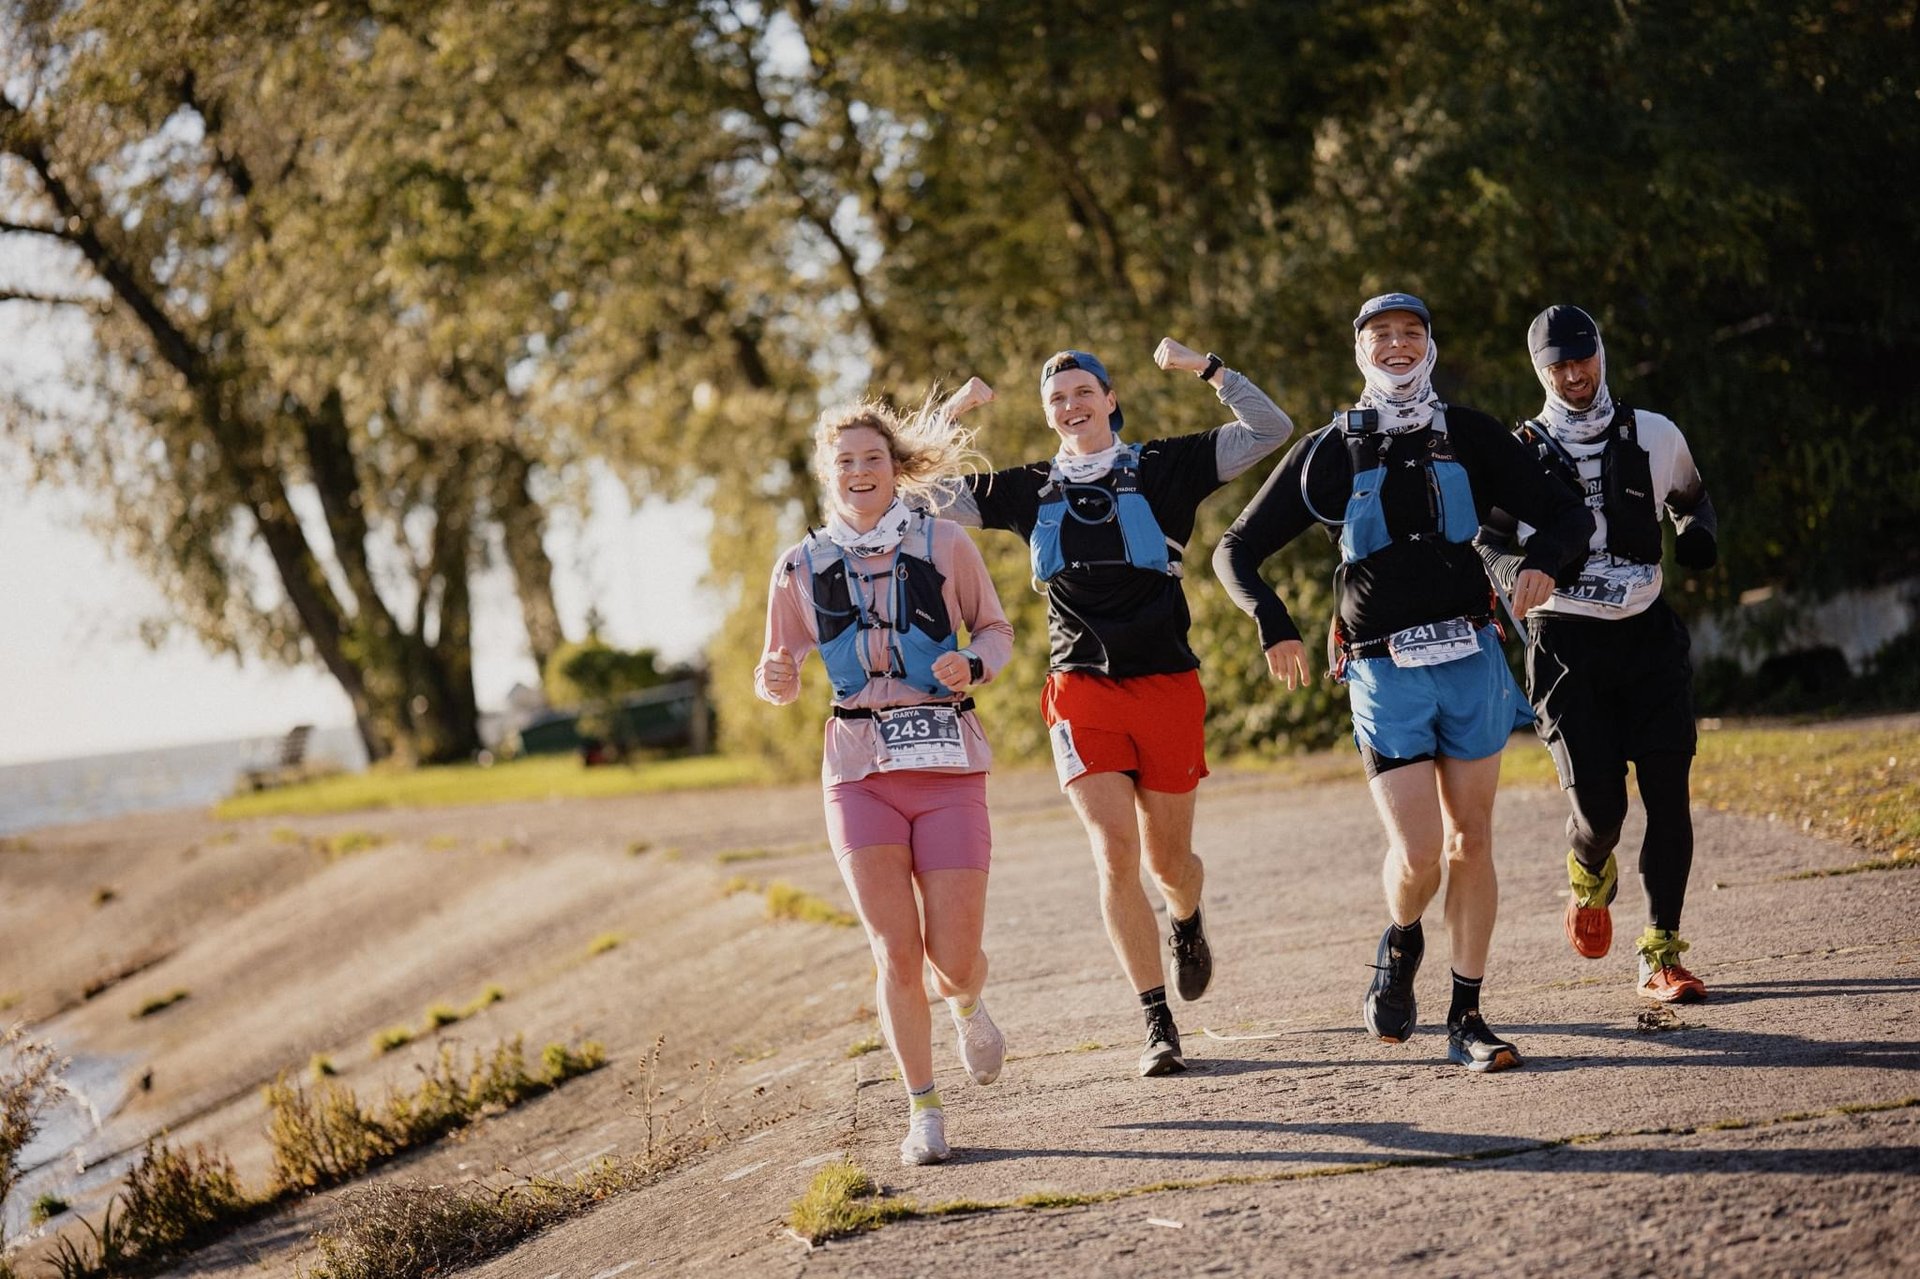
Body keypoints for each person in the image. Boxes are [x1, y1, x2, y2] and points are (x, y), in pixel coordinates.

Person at [1213, 293, 1592, 1072]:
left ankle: (1468, 1015)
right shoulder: (1328, 449)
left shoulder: (1472, 434)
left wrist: (1545, 563)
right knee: (1419, 855)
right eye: (1380, 334)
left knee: (1472, 839)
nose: (1396, 344)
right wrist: (1274, 622)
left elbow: (1567, 512)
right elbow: (1236, 549)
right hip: (1384, 672)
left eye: (1411, 332)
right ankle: (1402, 935)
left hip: (1472, 661)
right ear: (1361, 350)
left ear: (1431, 344)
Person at [936, 339, 1293, 1077]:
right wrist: (953, 413)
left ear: (1109, 398)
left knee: (1170, 862)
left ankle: (1187, 922)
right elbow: (923, 491)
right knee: (1113, 854)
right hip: (1080, 693)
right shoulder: (1029, 487)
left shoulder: (1165, 468)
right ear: (1048, 415)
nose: (1071, 406)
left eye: (1082, 392)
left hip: (1165, 685)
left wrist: (1209, 368)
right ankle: (1157, 1022)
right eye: (1057, 399)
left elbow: (1271, 429)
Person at [754, 397, 1014, 1166]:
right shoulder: (799, 565)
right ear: (826, 474)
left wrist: (974, 663)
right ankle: (923, 1111)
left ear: (894, 468)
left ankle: (966, 1000)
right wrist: (774, 676)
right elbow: (780, 666)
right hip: (857, 773)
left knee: (953, 955)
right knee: (895, 952)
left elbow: (995, 630)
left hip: (946, 764)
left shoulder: (946, 543)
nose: (859, 473)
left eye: (871, 459)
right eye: (844, 462)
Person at [1477, 304, 1719, 1003]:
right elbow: (1486, 539)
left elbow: (1692, 501)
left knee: (1669, 797)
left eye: (1582, 358)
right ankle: (1588, 867)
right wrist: (1509, 575)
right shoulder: (1518, 452)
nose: (1573, 374)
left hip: (1647, 636)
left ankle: (1661, 951)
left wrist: (1697, 534)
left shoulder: (1654, 433)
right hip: (1565, 643)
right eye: (1557, 364)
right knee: (1601, 813)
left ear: (1600, 354)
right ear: (1539, 370)